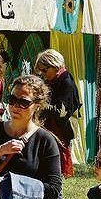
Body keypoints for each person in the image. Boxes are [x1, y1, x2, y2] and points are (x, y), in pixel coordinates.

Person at [35, 49, 81, 179]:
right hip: (54, 129)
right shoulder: (57, 79)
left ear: (54, 65)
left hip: (61, 130)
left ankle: (56, 198)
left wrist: (40, 104)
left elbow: (61, 112)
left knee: (56, 171)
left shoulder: (66, 82)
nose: (43, 74)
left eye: (45, 70)